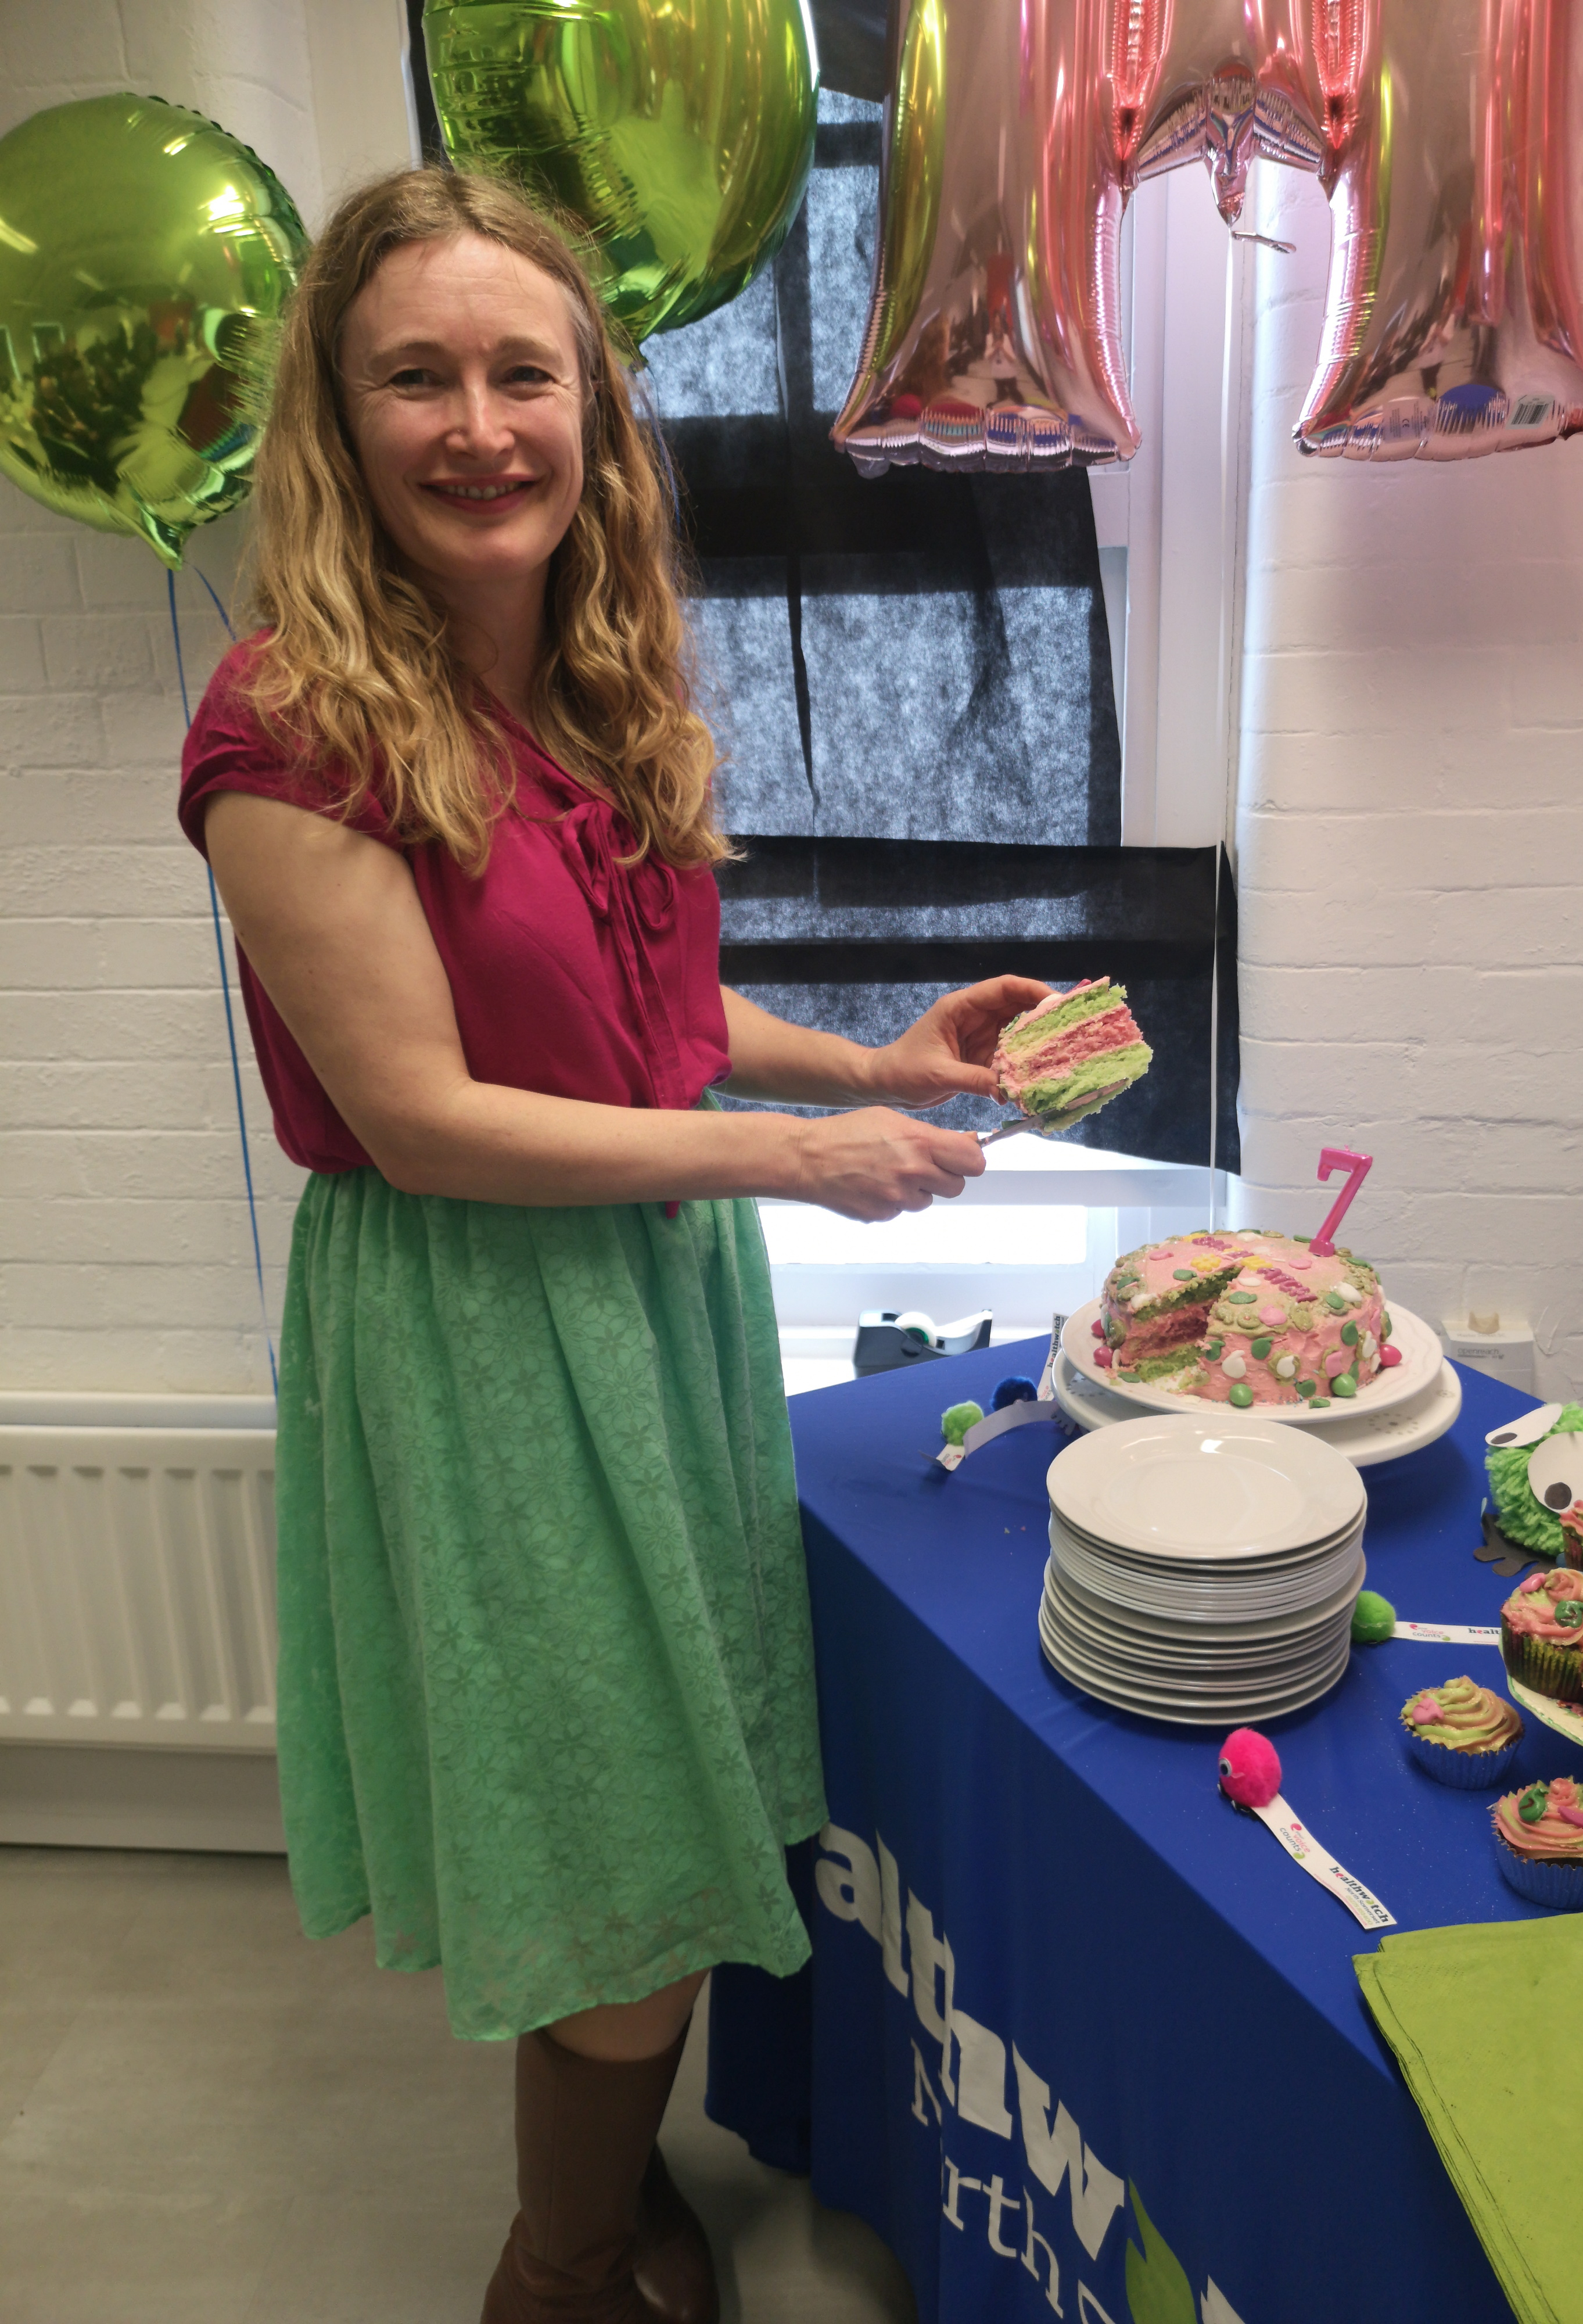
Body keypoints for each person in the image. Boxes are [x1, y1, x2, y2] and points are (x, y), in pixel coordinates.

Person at [180, 166, 1049, 2324]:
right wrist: (789, 1156)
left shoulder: (577, 671)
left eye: (522, 371)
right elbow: (428, 1121)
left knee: (663, 1793)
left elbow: (640, 1018)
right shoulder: (288, 727)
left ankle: (605, 2200)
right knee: (624, 1857)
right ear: (335, 419)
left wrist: (873, 1066)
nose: (480, 424)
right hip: (485, 1322)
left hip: (639, 1294)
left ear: (594, 410)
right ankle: (560, 2273)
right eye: (416, 375)